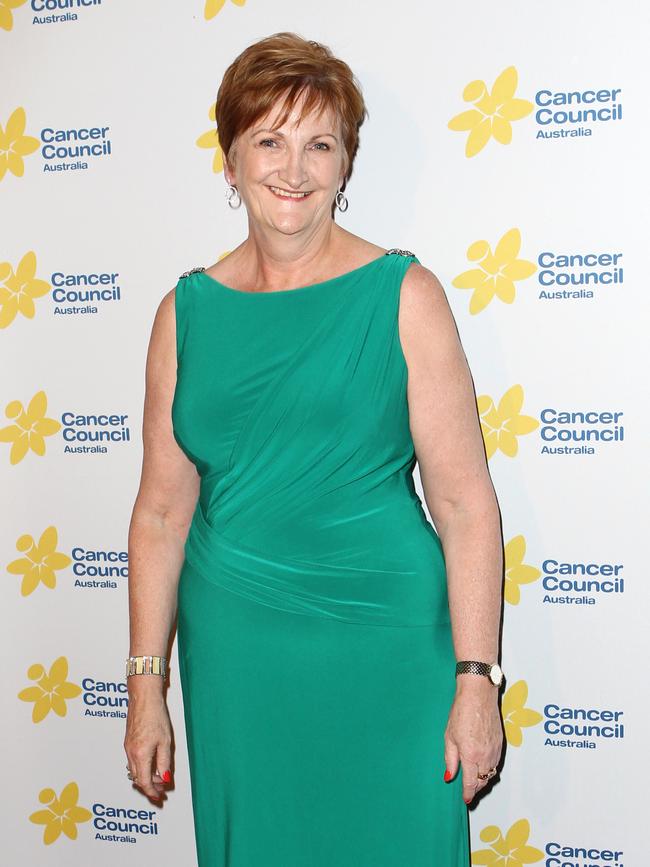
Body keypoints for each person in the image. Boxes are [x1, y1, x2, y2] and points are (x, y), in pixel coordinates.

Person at [124, 31, 504, 867]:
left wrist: (477, 677)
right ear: (230, 159)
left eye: (319, 144)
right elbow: (159, 512)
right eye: (269, 140)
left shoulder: (404, 295)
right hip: (239, 662)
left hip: (389, 653)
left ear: (345, 165)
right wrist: (145, 681)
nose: (293, 169)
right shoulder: (181, 315)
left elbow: (465, 503)